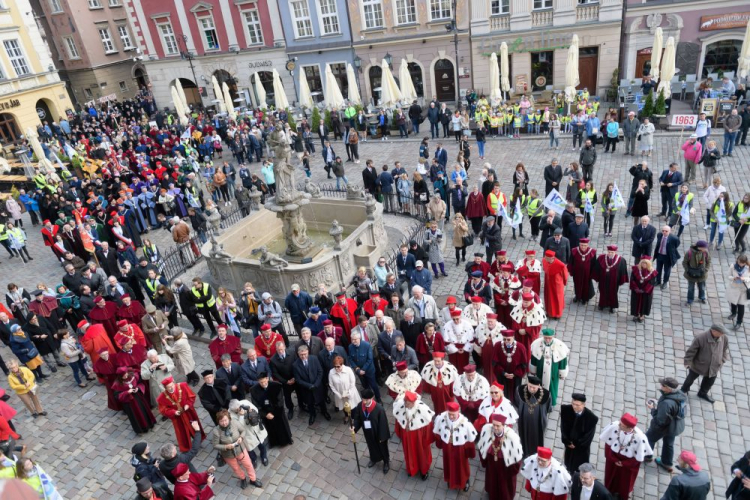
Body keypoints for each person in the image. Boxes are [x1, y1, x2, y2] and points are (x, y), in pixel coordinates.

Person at [600, 413, 652, 500]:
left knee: (625, 482)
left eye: (622, 425)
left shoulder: (640, 438)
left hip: (628, 464)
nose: (619, 425)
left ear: (630, 428)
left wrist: (624, 463)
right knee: (610, 476)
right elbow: (608, 445)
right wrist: (613, 459)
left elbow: (637, 458)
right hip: (613, 459)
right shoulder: (615, 426)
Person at [644, 377, 687, 473]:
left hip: (663, 427)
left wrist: (653, 409)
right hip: (675, 427)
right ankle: (666, 463)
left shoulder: (666, 403)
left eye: (663, 385)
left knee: (648, 438)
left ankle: (647, 456)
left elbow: (660, 421)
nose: (661, 386)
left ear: (668, 389)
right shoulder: (681, 395)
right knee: (668, 444)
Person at [212, 410, 262, 490]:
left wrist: (241, 438)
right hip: (228, 455)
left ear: (229, 419)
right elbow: (215, 445)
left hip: (240, 449)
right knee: (236, 468)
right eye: (221, 421)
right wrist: (226, 447)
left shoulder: (234, 423)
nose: (224, 423)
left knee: (248, 465)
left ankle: (253, 479)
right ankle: (243, 478)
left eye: (225, 420)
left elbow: (243, 431)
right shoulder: (216, 431)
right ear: (218, 421)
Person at [680, 324, 730, 403]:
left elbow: (724, 349)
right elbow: (691, 351)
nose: (723, 334)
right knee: (690, 378)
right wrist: (687, 362)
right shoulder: (700, 338)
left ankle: (702, 393)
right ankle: (684, 390)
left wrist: (722, 360)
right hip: (698, 365)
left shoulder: (724, 338)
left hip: (714, 366)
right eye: (721, 332)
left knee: (709, 381)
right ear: (714, 331)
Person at [433, 402, 477, 491]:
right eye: (449, 414)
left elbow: (469, 441)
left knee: (461, 466)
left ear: (458, 412)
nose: (451, 417)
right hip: (447, 447)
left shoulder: (465, 423)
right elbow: (438, 433)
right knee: (448, 463)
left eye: (453, 415)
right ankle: (450, 478)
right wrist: (440, 443)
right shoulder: (442, 418)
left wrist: (469, 452)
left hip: (459, 449)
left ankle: (465, 481)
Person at [157, 377, 206, 453]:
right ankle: (187, 446)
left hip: (188, 412)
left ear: (173, 383)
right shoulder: (162, 397)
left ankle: (199, 438)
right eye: (168, 387)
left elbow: (191, 396)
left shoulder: (183, 386)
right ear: (165, 388)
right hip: (177, 417)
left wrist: (187, 404)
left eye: (172, 385)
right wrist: (173, 412)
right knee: (182, 431)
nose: (171, 388)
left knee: (194, 425)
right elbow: (163, 409)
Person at [351, 388, 391, 473]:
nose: (364, 402)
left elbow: (383, 424)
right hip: (368, 432)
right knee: (371, 446)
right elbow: (357, 419)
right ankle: (374, 458)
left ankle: (386, 462)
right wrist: (354, 427)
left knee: (382, 448)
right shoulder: (360, 406)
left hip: (378, 433)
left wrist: (382, 437)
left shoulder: (379, 409)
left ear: (372, 398)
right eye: (363, 399)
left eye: (366, 400)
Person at [249, 372, 293, 448]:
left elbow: (280, 401)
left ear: (267, 378)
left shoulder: (276, 385)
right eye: (261, 382)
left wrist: (274, 413)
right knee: (271, 429)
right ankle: (274, 442)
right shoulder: (254, 390)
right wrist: (265, 414)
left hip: (278, 411)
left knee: (282, 427)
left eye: (264, 381)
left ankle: (286, 440)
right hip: (266, 414)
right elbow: (256, 405)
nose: (263, 384)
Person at [560, 393, 599, 474]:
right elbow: (563, 427)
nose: (574, 407)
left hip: (581, 449)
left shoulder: (591, 418)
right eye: (573, 404)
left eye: (577, 405)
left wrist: (577, 445)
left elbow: (588, 436)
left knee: (580, 467)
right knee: (568, 461)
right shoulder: (566, 410)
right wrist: (567, 441)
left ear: (584, 405)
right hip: (569, 445)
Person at [112, 367, 157, 434]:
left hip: (138, 397)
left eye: (126, 374)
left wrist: (138, 388)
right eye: (123, 375)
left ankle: (150, 424)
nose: (125, 376)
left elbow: (140, 383)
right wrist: (127, 392)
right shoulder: (117, 384)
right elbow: (117, 396)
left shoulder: (133, 376)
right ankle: (142, 428)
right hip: (129, 403)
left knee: (143, 410)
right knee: (136, 415)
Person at [293, 345, 330, 425]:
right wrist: (309, 386)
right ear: (298, 354)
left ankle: (324, 412)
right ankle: (312, 415)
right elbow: (298, 380)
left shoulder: (314, 358)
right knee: (310, 403)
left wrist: (316, 384)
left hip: (317, 386)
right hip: (306, 389)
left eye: (305, 354)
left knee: (321, 400)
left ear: (308, 352)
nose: (303, 356)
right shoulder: (295, 365)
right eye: (301, 354)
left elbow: (320, 371)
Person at [516, 375, 551, 458]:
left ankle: (537, 453)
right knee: (524, 435)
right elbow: (517, 403)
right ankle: (525, 452)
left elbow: (548, 408)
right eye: (530, 386)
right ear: (527, 383)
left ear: (539, 386)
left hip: (538, 421)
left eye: (534, 388)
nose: (531, 389)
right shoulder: (520, 390)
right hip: (524, 421)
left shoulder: (546, 394)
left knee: (537, 437)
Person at [227, 399, 269, 467]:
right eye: (237, 410)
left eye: (239, 407)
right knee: (250, 448)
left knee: (261, 443)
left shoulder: (245, 402)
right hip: (246, 434)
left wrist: (250, 411)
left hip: (255, 429)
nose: (239, 409)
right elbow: (237, 426)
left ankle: (264, 456)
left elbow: (256, 411)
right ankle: (253, 459)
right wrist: (241, 416)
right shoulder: (230, 415)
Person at [593, 245, 629, 313]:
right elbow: (597, 268)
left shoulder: (621, 260)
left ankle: (612, 306)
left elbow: (622, 271)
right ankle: (602, 304)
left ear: (615, 252)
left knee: (613, 293)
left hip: (614, 281)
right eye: (609, 252)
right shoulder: (601, 258)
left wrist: (621, 280)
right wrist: (597, 277)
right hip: (603, 279)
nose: (610, 253)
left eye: (612, 252)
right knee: (602, 291)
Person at [348, 331, 382, 403]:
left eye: (355, 339)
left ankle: (378, 398)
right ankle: (369, 399)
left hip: (369, 370)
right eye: (352, 339)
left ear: (359, 338)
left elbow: (370, 359)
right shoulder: (350, 347)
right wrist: (356, 368)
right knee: (365, 386)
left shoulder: (367, 345)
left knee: (373, 385)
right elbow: (350, 359)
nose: (353, 341)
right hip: (359, 372)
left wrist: (363, 369)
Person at [420, 351, 458, 415]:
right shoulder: (428, 366)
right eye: (435, 361)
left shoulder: (450, 367)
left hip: (447, 394)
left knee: (449, 406)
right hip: (435, 394)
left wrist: (453, 392)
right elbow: (426, 381)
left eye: (438, 361)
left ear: (442, 360)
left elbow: (453, 382)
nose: (436, 363)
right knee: (437, 406)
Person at [630, 256, 658, 322]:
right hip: (636, 291)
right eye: (642, 263)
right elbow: (632, 279)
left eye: (645, 263)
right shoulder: (636, 269)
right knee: (635, 302)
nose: (644, 264)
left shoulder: (652, 272)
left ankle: (642, 315)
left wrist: (644, 290)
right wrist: (636, 288)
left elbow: (652, 283)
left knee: (644, 303)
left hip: (646, 292)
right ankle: (636, 314)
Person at [542, 249, 569, 319]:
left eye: (548, 259)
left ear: (553, 258)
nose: (547, 260)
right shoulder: (544, 260)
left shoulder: (560, 265)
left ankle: (557, 314)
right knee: (548, 297)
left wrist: (564, 282)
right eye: (546, 258)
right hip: (548, 283)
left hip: (557, 284)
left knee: (557, 298)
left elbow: (565, 275)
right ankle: (549, 312)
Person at [683, 240, 711, 306]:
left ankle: (702, 297)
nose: (706, 249)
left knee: (702, 287)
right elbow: (684, 263)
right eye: (704, 247)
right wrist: (688, 270)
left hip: (702, 274)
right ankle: (690, 300)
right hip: (691, 274)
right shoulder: (689, 253)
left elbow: (708, 261)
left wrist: (706, 270)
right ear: (700, 247)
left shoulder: (705, 253)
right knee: (690, 288)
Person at [653, 225, 681, 289]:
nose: (664, 232)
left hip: (668, 257)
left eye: (666, 231)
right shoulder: (659, 235)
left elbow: (676, 245)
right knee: (658, 269)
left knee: (667, 270)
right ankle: (658, 280)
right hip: (659, 255)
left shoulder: (674, 238)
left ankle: (665, 282)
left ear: (670, 231)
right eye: (663, 231)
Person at [728, 254, 750, 331]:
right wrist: (734, 278)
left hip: (743, 289)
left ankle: (738, 322)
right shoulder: (733, 266)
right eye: (739, 262)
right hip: (734, 288)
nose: (740, 264)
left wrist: (745, 279)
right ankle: (733, 312)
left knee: (741, 306)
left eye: (742, 263)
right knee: (733, 302)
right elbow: (729, 276)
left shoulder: (748, 268)